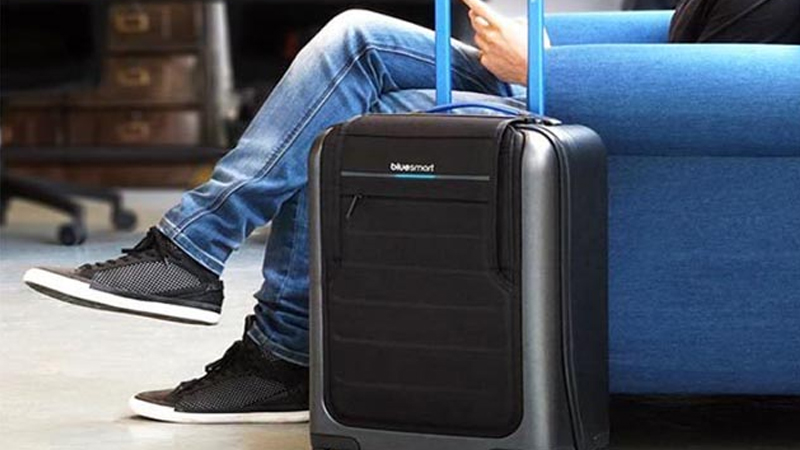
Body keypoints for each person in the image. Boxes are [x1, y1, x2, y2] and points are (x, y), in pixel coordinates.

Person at [22, 0, 800, 424]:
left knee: (354, 84)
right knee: (353, 52)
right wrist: (541, 52)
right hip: (611, 93)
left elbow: (733, 80)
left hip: (621, 114)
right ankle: (243, 317)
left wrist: (550, 67)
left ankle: (223, 296)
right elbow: (679, 42)